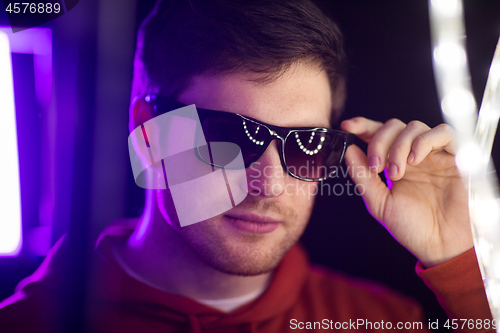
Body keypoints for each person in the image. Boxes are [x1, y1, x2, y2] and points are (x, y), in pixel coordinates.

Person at [0, 0, 493, 332]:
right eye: (228, 137)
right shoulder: (34, 321)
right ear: (149, 133)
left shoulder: (381, 319)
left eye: (306, 144)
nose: (270, 184)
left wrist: (463, 267)